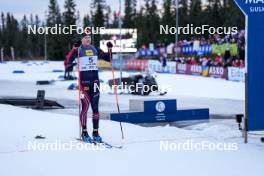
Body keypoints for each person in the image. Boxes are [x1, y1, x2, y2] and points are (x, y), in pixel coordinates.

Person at [77, 34, 113, 142]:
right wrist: (74, 49)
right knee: (85, 106)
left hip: (95, 82)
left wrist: (110, 48)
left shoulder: (95, 48)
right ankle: (84, 132)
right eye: (85, 38)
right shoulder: (79, 49)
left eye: (89, 37)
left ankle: (95, 132)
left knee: (95, 108)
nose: (88, 39)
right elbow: (69, 57)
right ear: (81, 39)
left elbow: (108, 59)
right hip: (84, 83)